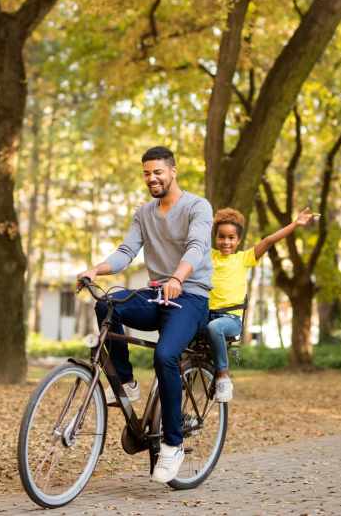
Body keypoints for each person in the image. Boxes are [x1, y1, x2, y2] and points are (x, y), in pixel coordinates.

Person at [76, 146, 213, 484]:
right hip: (157, 295)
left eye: (158, 172)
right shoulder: (144, 214)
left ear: (173, 171)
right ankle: (126, 382)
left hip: (191, 296)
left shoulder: (198, 207)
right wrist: (96, 270)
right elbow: (126, 252)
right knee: (107, 304)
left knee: (165, 356)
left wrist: (179, 278)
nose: (152, 178)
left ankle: (173, 444)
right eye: (147, 173)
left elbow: (197, 247)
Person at [207, 206, 316, 402]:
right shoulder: (209, 256)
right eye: (221, 237)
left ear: (238, 240)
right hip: (206, 315)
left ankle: (223, 376)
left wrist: (295, 224)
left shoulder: (243, 258)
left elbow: (269, 240)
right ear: (215, 238)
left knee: (215, 328)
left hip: (229, 319)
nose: (226, 242)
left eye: (231, 238)